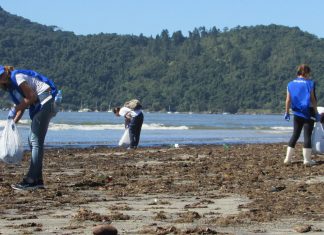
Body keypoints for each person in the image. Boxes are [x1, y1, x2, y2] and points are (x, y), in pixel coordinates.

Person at [0, 65, 60, 190]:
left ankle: (31, 179)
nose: (2, 77)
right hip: (43, 104)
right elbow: (21, 107)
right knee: (34, 141)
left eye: (2, 74)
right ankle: (38, 179)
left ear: (5, 71)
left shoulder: (17, 76)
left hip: (46, 100)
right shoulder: (11, 88)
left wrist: (15, 109)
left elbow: (31, 97)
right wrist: (12, 124)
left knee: (35, 141)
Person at [284, 64, 320, 166]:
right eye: (309, 74)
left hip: (297, 113)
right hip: (308, 112)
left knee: (295, 134)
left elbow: (288, 100)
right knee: (307, 135)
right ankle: (307, 160)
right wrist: (316, 113)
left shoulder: (290, 84)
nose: (309, 76)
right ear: (307, 73)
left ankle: (287, 159)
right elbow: (313, 99)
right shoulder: (310, 83)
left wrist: (287, 112)